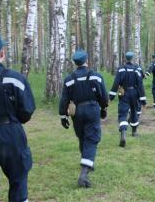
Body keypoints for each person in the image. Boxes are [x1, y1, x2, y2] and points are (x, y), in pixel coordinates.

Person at [59, 49, 108, 188]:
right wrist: (103, 109)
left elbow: (64, 100)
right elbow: (103, 96)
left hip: (77, 112)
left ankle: (86, 161)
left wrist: (63, 116)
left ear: (75, 63)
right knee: (92, 139)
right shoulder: (96, 77)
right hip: (92, 109)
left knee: (82, 137)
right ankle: (84, 173)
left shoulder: (69, 79)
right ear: (87, 61)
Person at [0, 35, 36, 202]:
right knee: (18, 180)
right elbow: (27, 110)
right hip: (10, 133)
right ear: (2, 53)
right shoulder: (14, 78)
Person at [109, 52, 146, 147]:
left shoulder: (121, 69)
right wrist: (143, 99)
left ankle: (123, 133)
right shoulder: (137, 69)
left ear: (125, 59)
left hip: (123, 93)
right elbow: (140, 85)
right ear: (132, 59)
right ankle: (134, 132)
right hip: (134, 93)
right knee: (134, 112)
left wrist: (111, 96)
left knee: (123, 113)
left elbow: (116, 83)